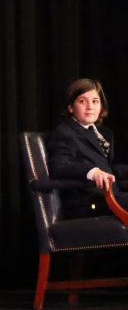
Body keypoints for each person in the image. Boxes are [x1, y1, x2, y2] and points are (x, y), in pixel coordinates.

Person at [47, 78, 128, 218]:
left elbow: (109, 169)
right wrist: (92, 171)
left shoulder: (103, 133)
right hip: (87, 202)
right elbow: (59, 166)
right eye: (83, 101)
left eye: (95, 101)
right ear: (70, 107)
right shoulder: (64, 132)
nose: (90, 106)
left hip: (111, 196)